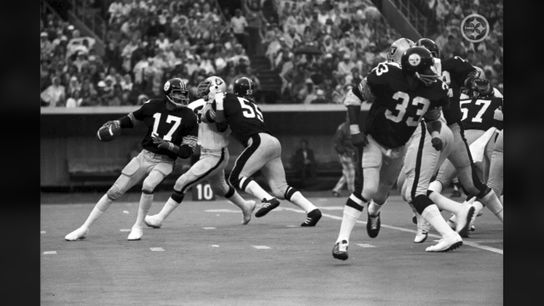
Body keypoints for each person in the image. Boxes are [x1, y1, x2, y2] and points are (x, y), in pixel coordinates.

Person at [332, 46, 463, 260]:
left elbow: (431, 115)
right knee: (368, 189)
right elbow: (354, 96)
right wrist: (355, 129)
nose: (431, 73)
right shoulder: (387, 76)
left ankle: (374, 212)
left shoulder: (433, 88)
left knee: (381, 194)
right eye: (425, 68)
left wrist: (436, 134)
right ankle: (342, 242)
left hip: (398, 146)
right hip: (373, 140)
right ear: (411, 71)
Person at [65, 78, 199, 241]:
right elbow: (132, 119)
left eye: (184, 94)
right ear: (167, 92)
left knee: (148, 185)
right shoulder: (152, 106)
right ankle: (84, 227)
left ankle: (138, 226)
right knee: (114, 191)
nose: (182, 98)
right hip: (144, 156)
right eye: (178, 94)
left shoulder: (190, 116)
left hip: (165, 161)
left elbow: (186, 152)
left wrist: (168, 146)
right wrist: (118, 123)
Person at [144, 76, 256, 230]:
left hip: (216, 154)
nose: (201, 89)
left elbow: (218, 122)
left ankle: (159, 218)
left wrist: (212, 104)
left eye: (207, 86)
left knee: (181, 182)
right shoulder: (197, 104)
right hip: (206, 153)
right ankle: (246, 206)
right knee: (220, 188)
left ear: (215, 90)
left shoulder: (225, 106)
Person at [209, 77, 322, 226]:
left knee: (236, 177)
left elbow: (220, 124)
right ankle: (312, 210)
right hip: (273, 142)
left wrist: (215, 101)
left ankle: (267, 199)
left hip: (258, 141)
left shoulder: (227, 98)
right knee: (280, 188)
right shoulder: (255, 106)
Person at [415, 38, 504, 227]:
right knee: (479, 182)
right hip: (460, 132)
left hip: (437, 129)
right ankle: (456, 214)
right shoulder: (489, 94)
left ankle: (431, 216)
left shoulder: (417, 75)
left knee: (426, 182)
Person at [331, 120, 356, 197]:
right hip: (344, 153)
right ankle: (352, 192)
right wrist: (342, 152)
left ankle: (336, 190)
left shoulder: (353, 126)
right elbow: (337, 142)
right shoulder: (343, 127)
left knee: (346, 173)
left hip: (349, 153)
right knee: (351, 172)